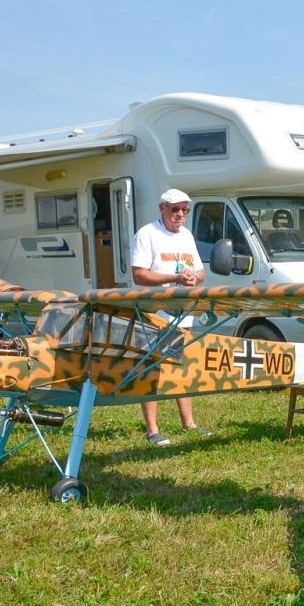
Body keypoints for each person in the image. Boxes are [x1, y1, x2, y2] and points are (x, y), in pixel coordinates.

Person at [129, 189, 211, 445]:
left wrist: (192, 278)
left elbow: (200, 272)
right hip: (154, 315)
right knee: (150, 369)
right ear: (162, 208)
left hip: (183, 315)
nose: (180, 214)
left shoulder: (186, 236)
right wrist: (174, 278)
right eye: (175, 209)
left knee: (181, 368)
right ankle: (152, 430)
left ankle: (189, 423)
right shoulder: (147, 234)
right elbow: (139, 275)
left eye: (184, 210)